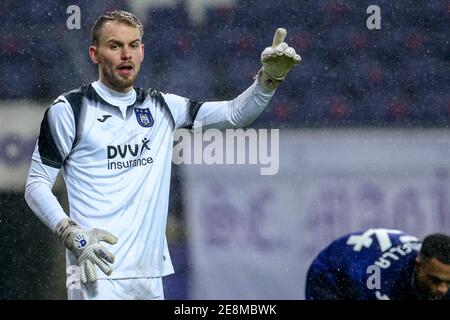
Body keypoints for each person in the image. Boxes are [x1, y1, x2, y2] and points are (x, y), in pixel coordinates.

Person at [24, 10, 301, 300]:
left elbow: (234, 114)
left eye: (133, 45)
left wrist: (269, 79)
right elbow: (36, 185)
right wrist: (71, 233)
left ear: (142, 51)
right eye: (115, 46)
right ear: (95, 54)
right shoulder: (69, 109)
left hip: (149, 277)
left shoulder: (162, 107)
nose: (126, 54)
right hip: (96, 273)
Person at [305, 228, 450, 300]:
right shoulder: (383, 282)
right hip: (331, 275)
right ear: (418, 265)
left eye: (448, 282)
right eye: (435, 280)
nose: (442, 289)